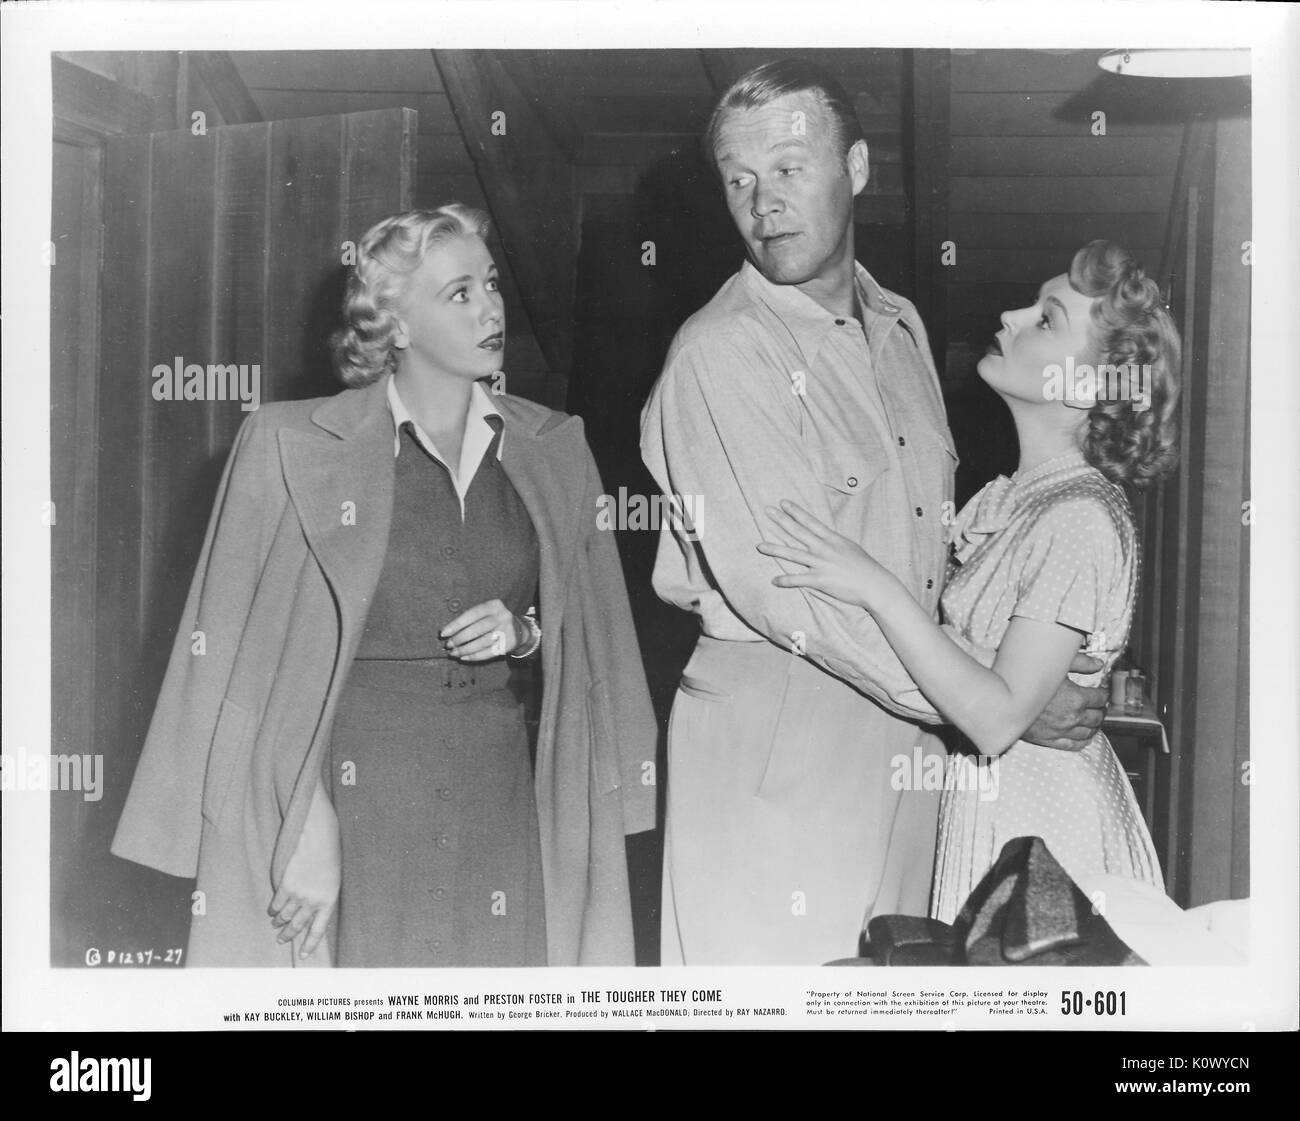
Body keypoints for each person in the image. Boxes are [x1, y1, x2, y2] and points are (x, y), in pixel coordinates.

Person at [640, 59, 1106, 966]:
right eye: (738, 180)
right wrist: (990, 699)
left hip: (912, 733)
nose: (762, 201)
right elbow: (799, 603)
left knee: (890, 995)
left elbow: (924, 552)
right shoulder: (721, 353)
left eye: (788, 167)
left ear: (855, 169)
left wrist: (985, 692)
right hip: (782, 730)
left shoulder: (900, 324)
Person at [111, 205, 656, 967]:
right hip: (346, 794)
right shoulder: (286, 444)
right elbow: (233, 667)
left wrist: (524, 631)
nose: (492, 308)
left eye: (491, 285)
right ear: (395, 325)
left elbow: (593, 648)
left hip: (503, 802)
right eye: (459, 293)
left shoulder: (555, 446)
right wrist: (301, 816)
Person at [758, 239, 1176, 921]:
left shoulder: (1079, 514)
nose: (1010, 315)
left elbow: (995, 717)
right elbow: (987, 668)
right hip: (1000, 810)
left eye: (1045, 319)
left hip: (1046, 831)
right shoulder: (1023, 497)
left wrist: (873, 584)